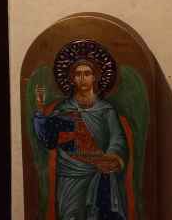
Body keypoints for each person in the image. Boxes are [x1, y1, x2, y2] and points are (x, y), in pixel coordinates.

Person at [34, 59, 129, 219]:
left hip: (99, 171)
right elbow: (49, 138)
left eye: (87, 73)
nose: (82, 78)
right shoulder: (64, 109)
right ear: (72, 79)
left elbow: (117, 138)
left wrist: (111, 157)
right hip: (70, 175)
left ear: (94, 77)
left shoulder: (106, 109)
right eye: (78, 74)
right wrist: (40, 110)